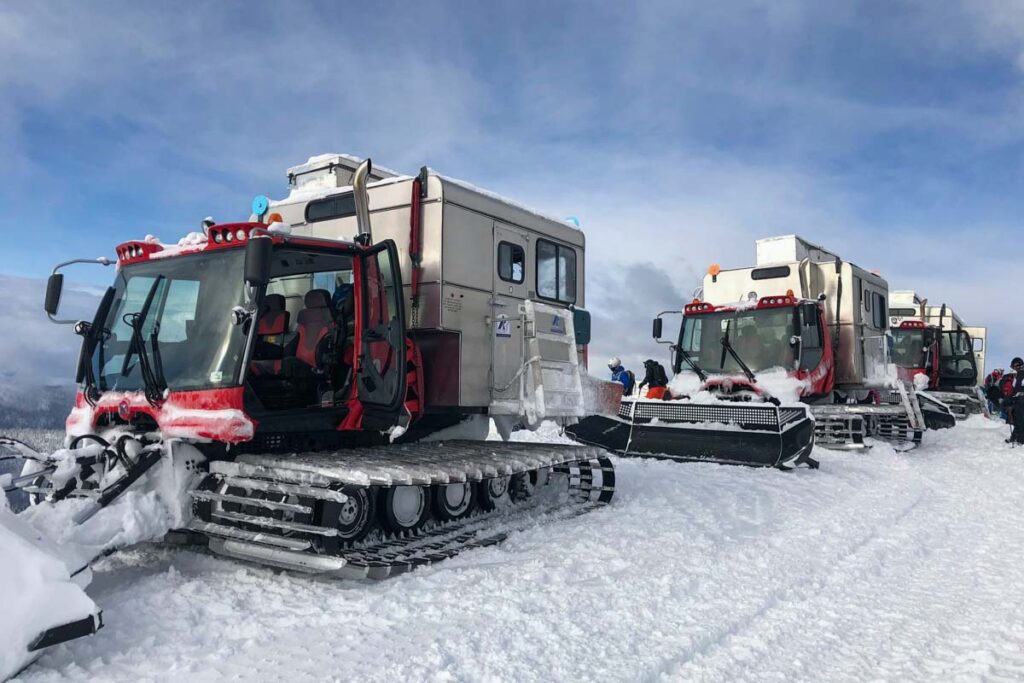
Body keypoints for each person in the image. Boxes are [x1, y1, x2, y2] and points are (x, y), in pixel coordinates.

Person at [1007, 358, 1024, 444]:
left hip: (1021, 400)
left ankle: (1021, 440)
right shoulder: (1019, 374)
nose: (1013, 369)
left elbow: (1017, 388)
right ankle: (1014, 437)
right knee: (1017, 420)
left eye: (1014, 367)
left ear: (1017, 365)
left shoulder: (1021, 373)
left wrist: (1011, 398)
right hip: (1019, 400)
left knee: (1020, 420)